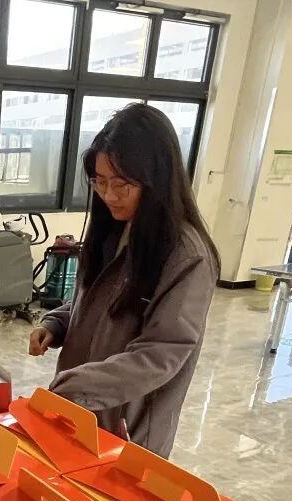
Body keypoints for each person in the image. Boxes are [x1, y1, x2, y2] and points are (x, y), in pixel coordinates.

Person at [29, 103, 219, 458]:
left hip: (128, 430)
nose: (108, 195)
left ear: (156, 180)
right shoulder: (112, 231)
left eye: (122, 184)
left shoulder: (185, 256)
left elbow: (162, 352)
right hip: (82, 412)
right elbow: (93, 301)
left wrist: (79, 385)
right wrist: (57, 323)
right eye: (99, 182)